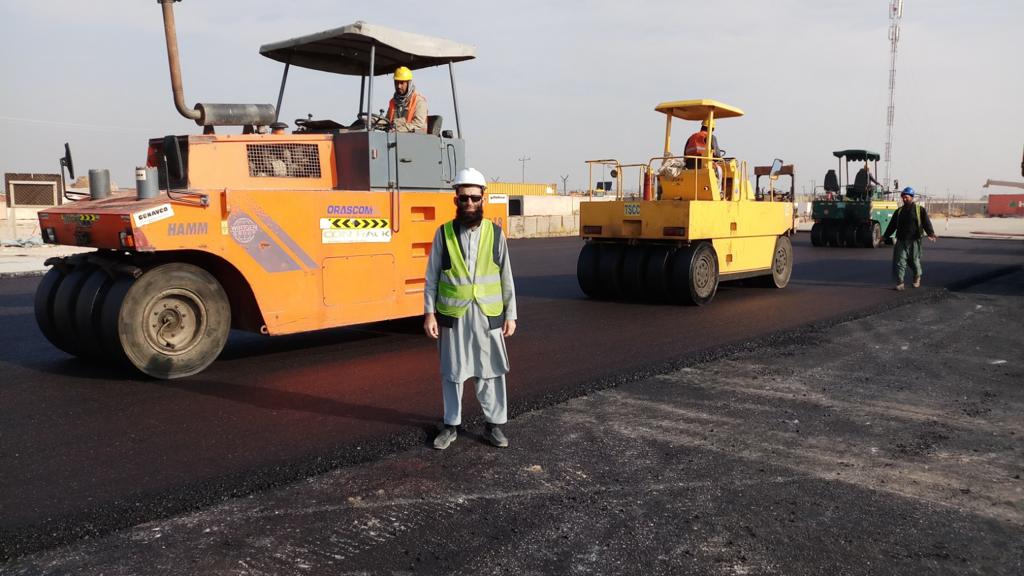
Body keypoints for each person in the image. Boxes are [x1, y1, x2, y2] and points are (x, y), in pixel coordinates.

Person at [424, 167, 518, 450]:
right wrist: (429, 313)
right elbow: (432, 277)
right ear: (456, 199)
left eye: (474, 198)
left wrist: (511, 314)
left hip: (487, 316)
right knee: (453, 372)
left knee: (490, 371)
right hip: (453, 316)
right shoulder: (444, 234)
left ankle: (494, 426)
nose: (469, 204)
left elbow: (506, 277)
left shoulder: (495, 233)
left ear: (483, 199)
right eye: (463, 198)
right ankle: (451, 425)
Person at [883, 186, 937, 290]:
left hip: (914, 240)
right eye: (903, 197)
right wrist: (884, 236)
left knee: (914, 261)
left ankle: (917, 276)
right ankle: (900, 283)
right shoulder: (899, 211)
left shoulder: (919, 210)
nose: (904, 199)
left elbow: (926, 222)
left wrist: (930, 233)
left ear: (911, 197)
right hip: (901, 240)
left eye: (906, 197)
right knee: (900, 261)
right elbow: (892, 225)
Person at [387, 66, 427, 133]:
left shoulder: (419, 101)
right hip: (395, 138)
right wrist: (371, 121)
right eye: (396, 83)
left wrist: (398, 130)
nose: (399, 86)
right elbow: (387, 120)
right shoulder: (393, 101)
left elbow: (418, 125)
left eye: (402, 83)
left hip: (415, 140)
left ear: (409, 83)